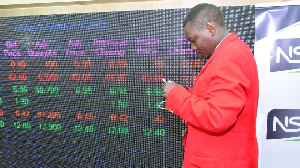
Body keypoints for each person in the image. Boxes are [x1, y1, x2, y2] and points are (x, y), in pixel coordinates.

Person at [162, 3, 259, 168]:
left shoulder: (231, 55)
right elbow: (216, 99)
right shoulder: (228, 52)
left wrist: (176, 95)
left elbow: (218, 116)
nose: (193, 47)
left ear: (210, 28)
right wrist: (185, 91)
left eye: (194, 40)